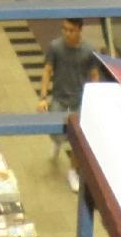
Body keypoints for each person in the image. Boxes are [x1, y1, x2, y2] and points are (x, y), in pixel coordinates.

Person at [39, 17, 99, 192]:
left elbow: (94, 75)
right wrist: (43, 96)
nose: (66, 33)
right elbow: (47, 70)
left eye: (71, 30)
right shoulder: (55, 47)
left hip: (79, 100)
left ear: (80, 29)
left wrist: (93, 99)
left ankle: (73, 170)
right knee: (56, 133)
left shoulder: (89, 51)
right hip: (59, 98)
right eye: (64, 29)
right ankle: (57, 142)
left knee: (78, 139)